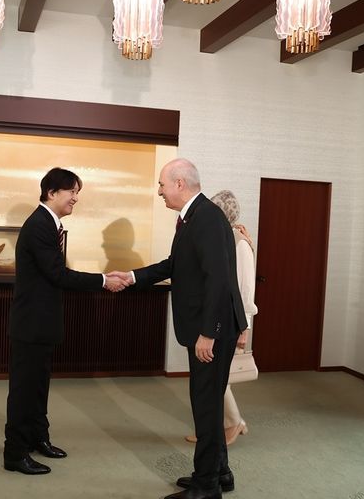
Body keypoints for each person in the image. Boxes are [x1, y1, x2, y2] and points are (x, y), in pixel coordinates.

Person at [109, 159, 247, 499]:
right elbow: (176, 265)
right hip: (207, 325)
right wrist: (134, 276)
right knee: (209, 403)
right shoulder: (193, 217)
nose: (159, 191)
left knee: (205, 405)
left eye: (162, 184)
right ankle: (220, 473)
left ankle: (206, 486)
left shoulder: (207, 218)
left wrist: (209, 332)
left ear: (180, 183)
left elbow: (219, 279)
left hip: (211, 330)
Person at [4, 167, 127, 475]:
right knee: (24, 391)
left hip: (41, 324)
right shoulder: (39, 225)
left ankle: (38, 438)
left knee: (39, 387)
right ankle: (15, 453)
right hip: (31, 325)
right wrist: (103, 280)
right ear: (51, 193)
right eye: (72, 191)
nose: (75, 198)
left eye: (77, 192)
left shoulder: (49, 224)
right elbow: (57, 274)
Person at [184, 190, 258, 446]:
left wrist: (244, 329)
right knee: (213, 379)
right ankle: (213, 427)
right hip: (216, 315)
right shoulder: (219, 237)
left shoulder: (240, 243)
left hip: (232, 320)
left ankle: (233, 422)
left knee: (218, 379)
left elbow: (246, 291)